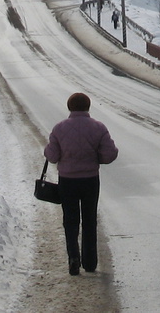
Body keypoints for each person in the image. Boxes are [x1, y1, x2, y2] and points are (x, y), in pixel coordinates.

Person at [44, 92, 119, 275]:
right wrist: (95, 158)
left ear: (70, 107)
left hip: (67, 181)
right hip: (90, 180)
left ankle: (73, 258)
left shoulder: (59, 128)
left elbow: (52, 156)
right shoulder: (98, 128)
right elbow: (110, 154)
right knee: (89, 219)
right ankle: (90, 261)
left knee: (70, 220)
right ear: (88, 106)